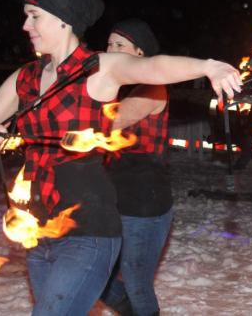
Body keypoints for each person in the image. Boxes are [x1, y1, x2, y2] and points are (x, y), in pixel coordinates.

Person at [0, 0, 241, 316]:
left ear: (63, 19)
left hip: (88, 231)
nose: (25, 25)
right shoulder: (25, 78)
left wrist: (208, 66)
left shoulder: (99, 69)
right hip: (37, 231)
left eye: (34, 16)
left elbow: (153, 65)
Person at [99, 18, 172, 316]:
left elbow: (109, 122)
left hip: (144, 203)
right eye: (109, 44)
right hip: (114, 199)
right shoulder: (119, 90)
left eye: (120, 45)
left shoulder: (152, 88)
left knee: (136, 282)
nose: (112, 50)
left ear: (140, 54)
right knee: (98, 275)